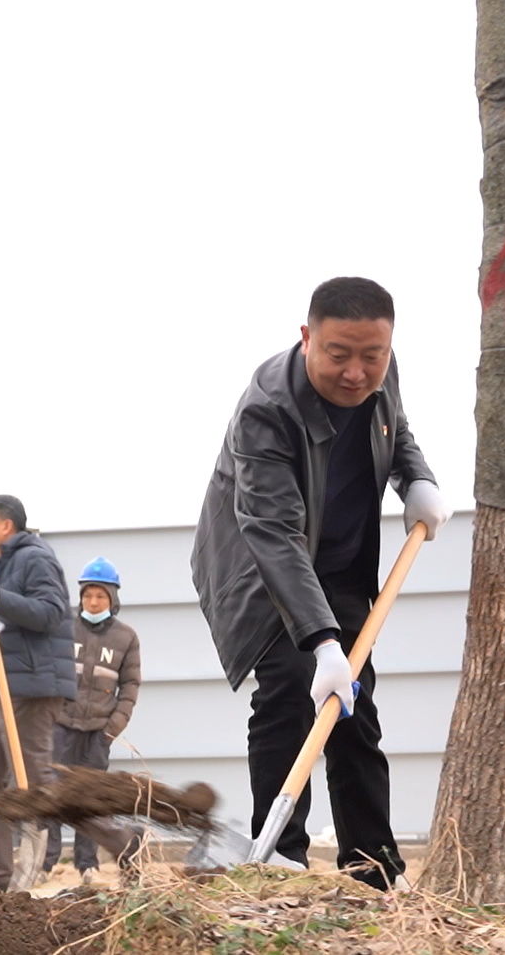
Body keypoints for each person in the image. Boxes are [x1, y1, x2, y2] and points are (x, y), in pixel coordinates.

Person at [190, 276, 450, 891]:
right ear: (307, 338)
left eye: (373, 355)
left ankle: (374, 867)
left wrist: (416, 478)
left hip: (338, 562)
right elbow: (273, 532)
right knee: (288, 691)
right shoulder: (266, 410)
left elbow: (398, 429)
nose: (357, 372)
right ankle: (280, 861)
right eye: (339, 354)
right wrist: (322, 643)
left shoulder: (383, 370)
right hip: (262, 564)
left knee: (355, 711)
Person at [0, 493, 76, 892]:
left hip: (28, 688)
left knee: (38, 783)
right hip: (1, 689)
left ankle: (123, 841)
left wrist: (0, 596)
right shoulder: (1, 564)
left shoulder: (34, 557)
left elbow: (51, 612)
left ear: (6, 526)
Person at [42, 557, 142, 886]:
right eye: (88, 595)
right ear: (80, 597)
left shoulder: (126, 637)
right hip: (60, 727)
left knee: (90, 800)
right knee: (51, 794)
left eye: (100, 596)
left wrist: (112, 730)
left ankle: (88, 864)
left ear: (113, 599)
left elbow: (130, 687)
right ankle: (46, 862)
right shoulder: (64, 628)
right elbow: (49, 672)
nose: (93, 602)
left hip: (98, 734)